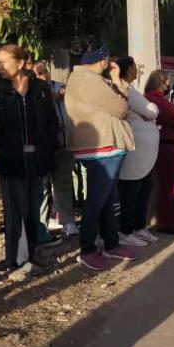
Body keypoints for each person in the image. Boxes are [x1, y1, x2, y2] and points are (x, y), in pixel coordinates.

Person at [0, 44, 59, 275]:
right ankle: (16, 260)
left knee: (35, 209)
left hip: (37, 160)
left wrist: (46, 148)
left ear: (21, 62)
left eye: (4, 61)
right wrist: (4, 145)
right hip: (11, 161)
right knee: (16, 211)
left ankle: (33, 255)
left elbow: (51, 122)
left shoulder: (40, 88)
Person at [64, 46, 140, 270]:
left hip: (105, 145)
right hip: (102, 146)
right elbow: (121, 106)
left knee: (107, 199)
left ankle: (111, 243)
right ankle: (87, 249)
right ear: (102, 60)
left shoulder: (87, 78)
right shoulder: (89, 80)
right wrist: (118, 82)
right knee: (97, 200)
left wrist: (116, 82)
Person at [116, 56, 161, 247]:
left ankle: (138, 227)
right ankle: (126, 231)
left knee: (144, 189)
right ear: (127, 69)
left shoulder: (131, 89)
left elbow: (148, 112)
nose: (137, 70)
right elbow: (151, 110)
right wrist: (145, 114)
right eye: (134, 67)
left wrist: (145, 114)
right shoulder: (124, 89)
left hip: (144, 153)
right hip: (134, 151)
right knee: (131, 192)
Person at [32, 62, 79, 236]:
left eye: (45, 71)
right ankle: (42, 226)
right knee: (42, 187)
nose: (43, 75)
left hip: (63, 143)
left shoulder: (61, 88)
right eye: (38, 73)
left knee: (63, 184)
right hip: (43, 147)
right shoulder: (33, 92)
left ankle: (67, 221)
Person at [145, 69, 174, 235]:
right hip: (166, 144)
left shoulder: (158, 99)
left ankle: (173, 219)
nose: (168, 84)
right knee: (170, 185)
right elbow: (173, 117)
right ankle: (168, 222)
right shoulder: (154, 99)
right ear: (160, 82)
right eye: (166, 81)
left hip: (171, 143)